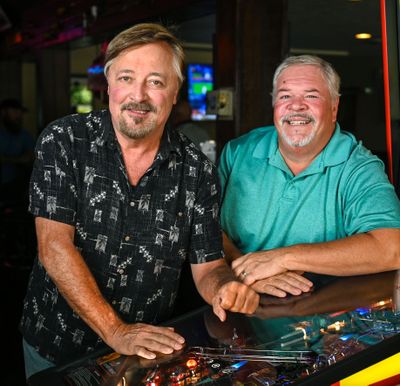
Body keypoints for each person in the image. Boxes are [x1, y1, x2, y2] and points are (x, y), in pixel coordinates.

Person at [20, 23, 259, 378]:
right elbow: (53, 246)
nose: (139, 95)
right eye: (127, 78)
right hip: (57, 348)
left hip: (145, 354)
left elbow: (208, 266)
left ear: (176, 92)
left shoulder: (196, 169)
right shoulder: (65, 140)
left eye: (156, 82)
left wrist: (223, 288)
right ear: (110, 84)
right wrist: (116, 331)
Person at [218, 55, 400, 298]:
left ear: (334, 108)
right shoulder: (238, 152)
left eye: (311, 96)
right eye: (285, 96)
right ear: (274, 105)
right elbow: (205, 228)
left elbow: (392, 249)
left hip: (323, 316)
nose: (296, 105)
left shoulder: (358, 167)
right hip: (237, 298)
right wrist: (246, 271)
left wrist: (284, 258)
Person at [0, 98, 35, 204]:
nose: (19, 117)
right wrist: (18, 159)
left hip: (12, 188)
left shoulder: (24, 135)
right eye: (15, 112)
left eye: (20, 113)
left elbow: (30, 158)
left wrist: (6, 159)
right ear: (3, 112)